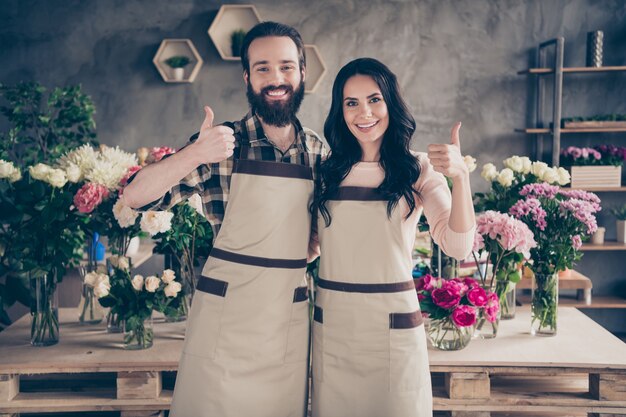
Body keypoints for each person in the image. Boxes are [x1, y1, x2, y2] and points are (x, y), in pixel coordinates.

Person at [122, 22, 326, 417]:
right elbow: (135, 197)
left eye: (286, 66)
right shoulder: (220, 144)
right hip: (226, 321)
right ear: (247, 77)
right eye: (263, 68)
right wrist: (194, 154)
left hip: (287, 318)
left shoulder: (318, 150)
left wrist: (310, 245)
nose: (276, 79)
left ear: (302, 72)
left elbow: (324, 231)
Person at [310, 58, 475, 417]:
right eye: (351, 103)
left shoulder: (417, 169)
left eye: (374, 99)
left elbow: (458, 245)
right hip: (334, 327)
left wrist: (460, 179)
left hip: (393, 330)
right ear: (340, 111)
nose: (364, 112)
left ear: (391, 103)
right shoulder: (325, 172)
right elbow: (307, 246)